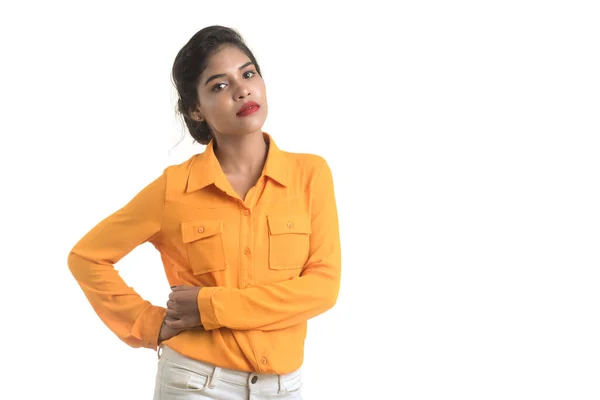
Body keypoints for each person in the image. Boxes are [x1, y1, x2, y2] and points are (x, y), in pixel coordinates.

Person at [67, 25, 341, 399]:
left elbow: (322, 289)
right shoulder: (174, 189)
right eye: (219, 85)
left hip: (283, 386)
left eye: (248, 73)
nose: (242, 89)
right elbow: (87, 257)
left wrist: (209, 307)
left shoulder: (310, 175)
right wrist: (149, 324)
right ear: (195, 109)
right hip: (196, 382)